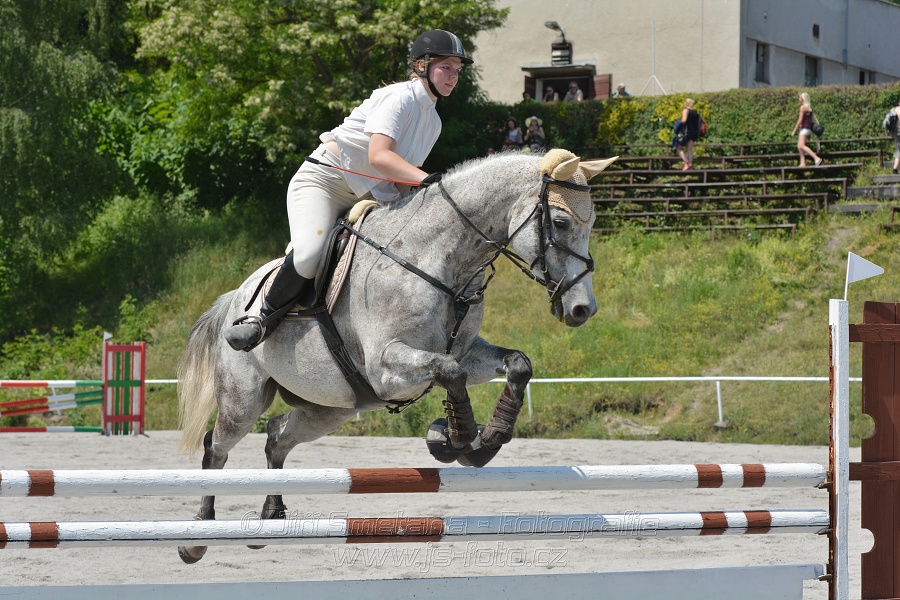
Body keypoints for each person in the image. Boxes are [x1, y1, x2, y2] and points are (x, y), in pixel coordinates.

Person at [224, 30, 473, 352]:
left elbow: (400, 178)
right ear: (422, 65)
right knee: (311, 255)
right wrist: (429, 181)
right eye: (446, 68)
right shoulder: (400, 97)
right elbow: (379, 156)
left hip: (371, 197)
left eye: (457, 70)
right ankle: (260, 320)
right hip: (324, 184)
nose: (453, 76)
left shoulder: (434, 121)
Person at [790, 92, 823, 168]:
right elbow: (811, 121)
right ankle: (802, 163)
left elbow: (800, 120)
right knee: (799, 146)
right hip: (808, 129)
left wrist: (794, 131)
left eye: (800, 98)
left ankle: (816, 158)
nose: (799, 99)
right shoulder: (809, 108)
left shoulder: (802, 108)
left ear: (803, 99)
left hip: (804, 129)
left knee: (801, 145)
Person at [677, 98, 702, 171]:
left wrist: (679, 122)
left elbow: (684, 120)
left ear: (686, 103)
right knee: (689, 149)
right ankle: (690, 166)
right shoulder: (695, 112)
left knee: (678, 147)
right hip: (694, 133)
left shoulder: (685, 110)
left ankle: (687, 163)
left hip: (686, 132)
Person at [887, 100, 900, 174]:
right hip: (899, 132)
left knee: (898, 147)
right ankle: (895, 168)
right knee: (899, 150)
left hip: (892, 132)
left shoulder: (893, 109)